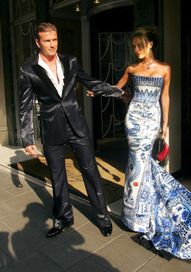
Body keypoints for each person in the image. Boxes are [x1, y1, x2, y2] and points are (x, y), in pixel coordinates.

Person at [89, 27, 191, 262]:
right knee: (137, 161)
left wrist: (165, 126)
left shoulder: (165, 68)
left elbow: (165, 97)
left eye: (140, 45)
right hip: (134, 120)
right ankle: (136, 213)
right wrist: (99, 90)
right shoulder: (131, 69)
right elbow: (117, 89)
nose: (136, 49)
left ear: (151, 44)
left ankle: (140, 212)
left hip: (151, 120)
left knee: (142, 162)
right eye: (133, 45)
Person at [19, 22, 122, 238]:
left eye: (55, 40)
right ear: (37, 42)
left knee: (90, 171)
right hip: (52, 128)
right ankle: (63, 218)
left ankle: (102, 217)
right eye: (47, 41)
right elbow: (25, 106)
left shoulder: (70, 60)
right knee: (58, 177)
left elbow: (89, 82)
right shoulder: (28, 70)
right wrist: (27, 138)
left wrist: (117, 92)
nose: (52, 44)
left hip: (77, 125)